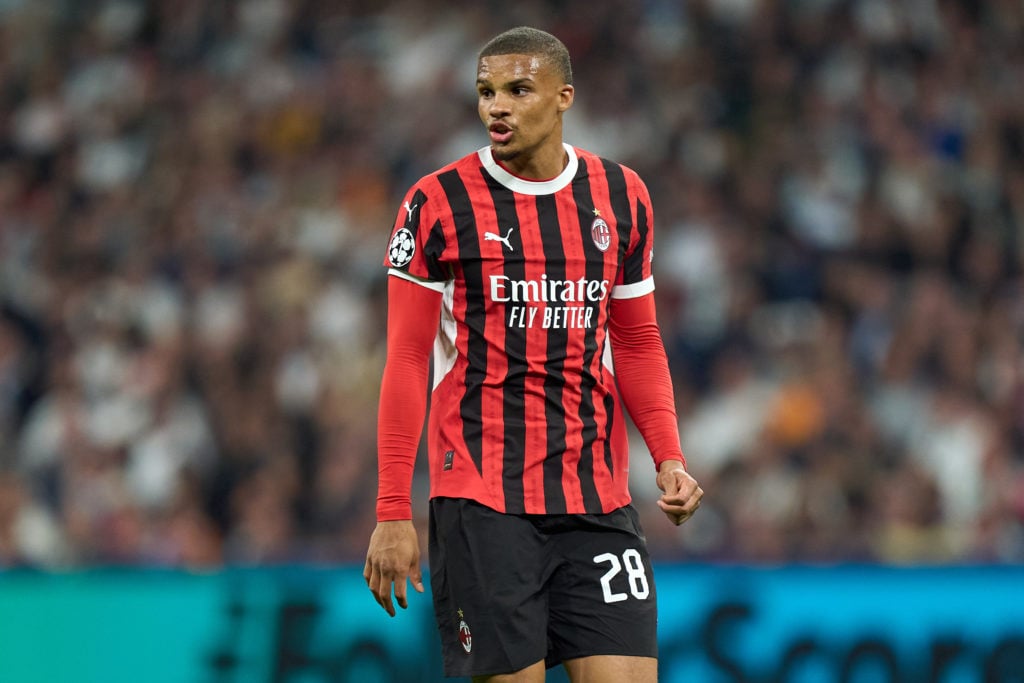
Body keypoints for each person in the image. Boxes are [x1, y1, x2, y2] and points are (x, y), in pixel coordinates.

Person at [364, 26, 703, 683]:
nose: (497, 106)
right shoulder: (437, 203)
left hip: (596, 498)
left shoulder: (622, 196)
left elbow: (636, 341)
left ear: (563, 96)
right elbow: (406, 359)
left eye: (518, 90)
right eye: (486, 91)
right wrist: (392, 510)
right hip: (484, 499)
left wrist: (668, 456)